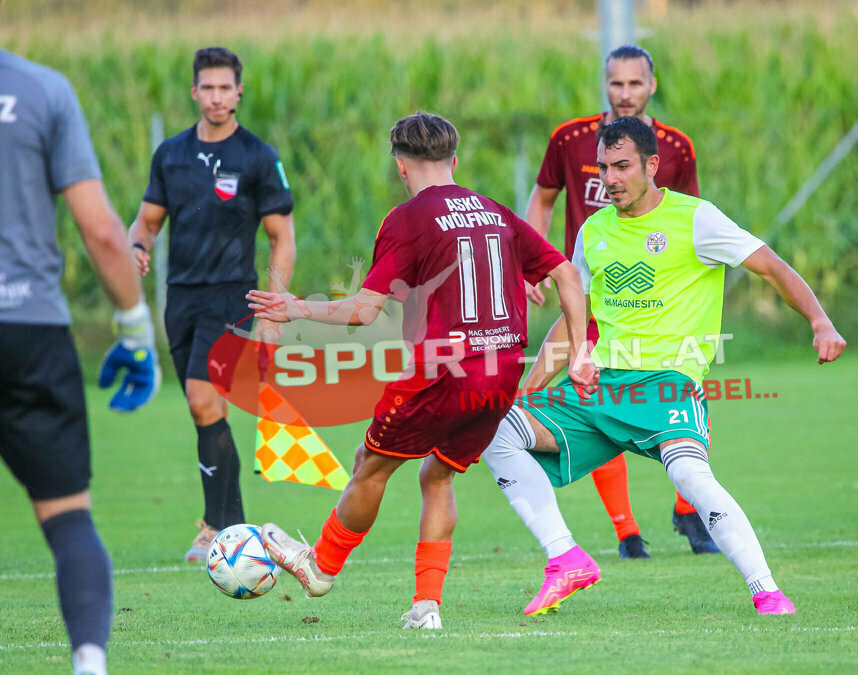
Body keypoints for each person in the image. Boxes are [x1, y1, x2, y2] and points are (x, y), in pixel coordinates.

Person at [481, 117, 846, 616]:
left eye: (623, 166)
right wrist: (530, 386)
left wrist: (820, 322)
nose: (611, 178)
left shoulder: (696, 219)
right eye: (604, 168)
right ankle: (565, 558)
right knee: (497, 431)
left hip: (667, 386)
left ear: (652, 166)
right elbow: (575, 319)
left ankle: (767, 591)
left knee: (692, 479)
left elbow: (772, 268)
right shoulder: (594, 230)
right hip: (600, 389)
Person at [247, 112, 594, 630]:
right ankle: (427, 607)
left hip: (440, 373)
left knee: (372, 462)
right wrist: (580, 350)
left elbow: (363, 312)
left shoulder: (407, 218)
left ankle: (320, 567)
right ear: (454, 161)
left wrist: (296, 307)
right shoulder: (495, 211)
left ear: (401, 166)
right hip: (500, 375)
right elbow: (567, 272)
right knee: (438, 474)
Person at [1, 46, 158, 675]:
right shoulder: (41, 90)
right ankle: (89, 665)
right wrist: (134, 325)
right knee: (68, 518)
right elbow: (100, 230)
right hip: (31, 331)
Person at [524, 45, 715, 559]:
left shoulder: (675, 145)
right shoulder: (569, 138)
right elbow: (542, 199)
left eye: (635, 84)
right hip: (587, 296)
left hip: (654, 302)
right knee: (594, 398)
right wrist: (533, 262)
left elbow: (689, 214)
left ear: (652, 85)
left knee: (679, 393)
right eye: (616, 84)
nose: (624, 93)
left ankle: (688, 510)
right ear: (604, 85)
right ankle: (627, 531)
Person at [127, 46, 296, 562]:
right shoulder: (171, 155)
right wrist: (137, 248)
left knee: (204, 400)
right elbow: (148, 220)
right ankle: (232, 529)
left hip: (232, 298)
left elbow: (281, 238)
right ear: (195, 91)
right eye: (209, 87)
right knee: (208, 412)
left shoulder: (258, 157)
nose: (217, 96)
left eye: (226, 88)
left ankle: (214, 529)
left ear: (238, 92)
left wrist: (271, 307)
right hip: (181, 300)